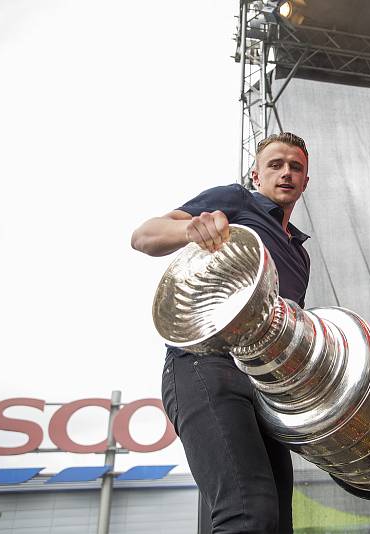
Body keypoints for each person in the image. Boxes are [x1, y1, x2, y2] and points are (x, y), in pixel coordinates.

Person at [131, 132, 311, 533]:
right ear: (256, 175)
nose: (286, 173)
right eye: (275, 165)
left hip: (262, 388)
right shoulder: (237, 201)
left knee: (278, 524)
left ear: (304, 182)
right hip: (203, 366)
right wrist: (191, 230)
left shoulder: (300, 255)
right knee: (248, 514)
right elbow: (143, 236)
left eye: (295, 167)